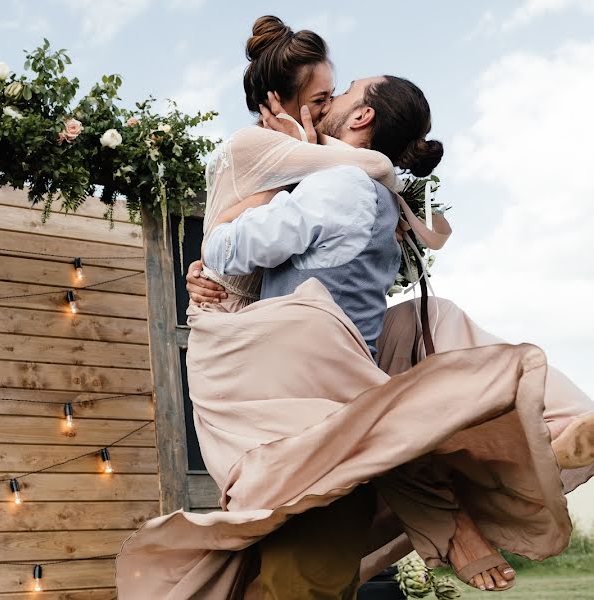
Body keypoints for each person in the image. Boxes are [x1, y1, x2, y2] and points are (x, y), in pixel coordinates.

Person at [114, 15, 594, 600]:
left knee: (426, 327)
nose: (331, 103)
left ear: (360, 117)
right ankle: (486, 488)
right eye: (324, 95)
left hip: (304, 347)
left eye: (339, 96)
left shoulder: (324, 174)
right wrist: (209, 265)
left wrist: (222, 249)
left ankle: (539, 434)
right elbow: (237, 241)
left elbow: (261, 241)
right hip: (260, 353)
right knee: (366, 403)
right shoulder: (326, 169)